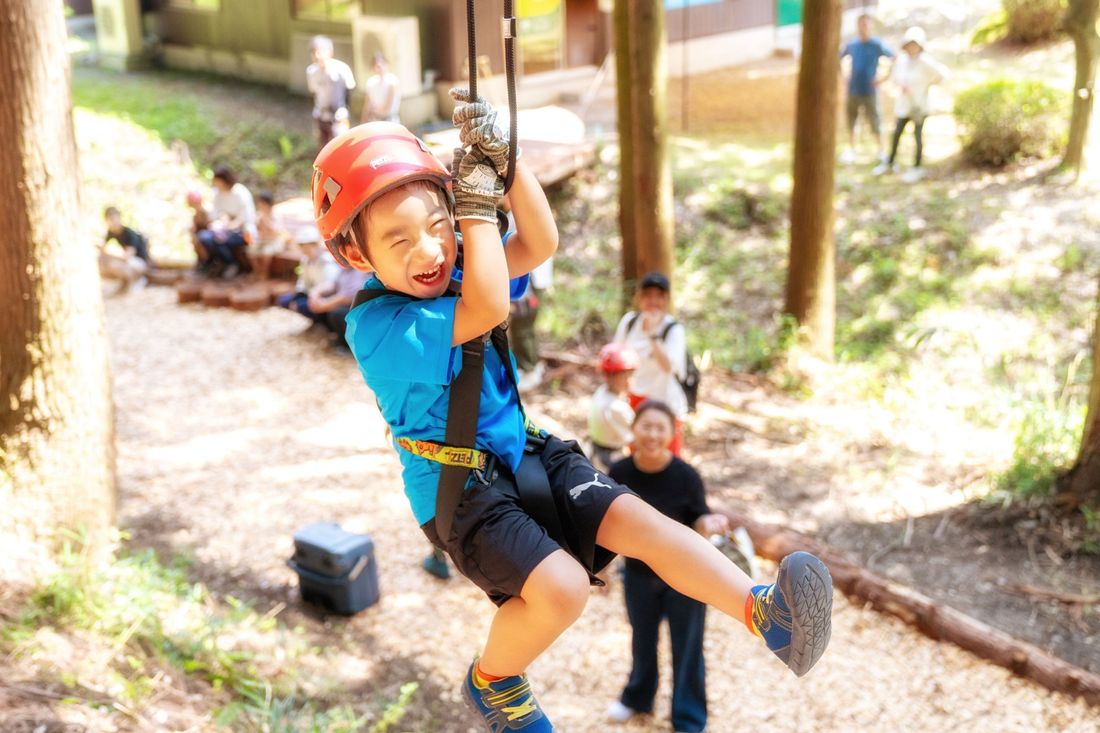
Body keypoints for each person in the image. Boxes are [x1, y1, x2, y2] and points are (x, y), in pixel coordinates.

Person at [311, 96, 833, 731]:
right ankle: (494, 680)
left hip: (525, 452)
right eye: (399, 239)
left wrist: (508, 164)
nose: (429, 248)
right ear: (359, 257)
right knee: (559, 590)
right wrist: (474, 215)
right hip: (460, 490)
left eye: (437, 221)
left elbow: (539, 239)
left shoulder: (458, 261)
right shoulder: (377, 326)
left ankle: (766, 615)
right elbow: (486, 310)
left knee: (647, 521)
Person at [606, 400, 731, 733]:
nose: (652, 434)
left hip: (686, 577)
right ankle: (637, 698)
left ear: (671, 434)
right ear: (633, 429)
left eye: (660, 428)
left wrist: (710, 521)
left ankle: (689, 718)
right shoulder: (619, 472)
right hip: (638, 574)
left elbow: (698, 520)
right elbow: (605, 523)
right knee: (642, 640)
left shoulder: (685, 475)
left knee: (688, 647)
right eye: (646, 426)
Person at [613, 272, 690, 455]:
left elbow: (668, 367)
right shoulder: (630, 322)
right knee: (637, 455)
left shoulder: (673, 330)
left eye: (658, 296)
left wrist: (653, 334)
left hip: (665, 401)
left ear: (666, 299)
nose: (652, 301)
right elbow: (617, 355)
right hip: (634, 399)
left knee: (667, 457)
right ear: (640, 297)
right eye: (648, 295)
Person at [874, 26, 949, 183]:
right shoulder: (902, 61)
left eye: (914, 44)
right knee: (896, 134)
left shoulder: (925, 61)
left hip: (919, 106)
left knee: (917, 136)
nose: (911, 48)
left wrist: (927, 86)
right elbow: (895, 78)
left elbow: (942, 75)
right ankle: (890, 162)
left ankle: (917, 167)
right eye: (909, 44)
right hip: (903, 105)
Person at [839, 14, 894, 165]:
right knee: (851, 120)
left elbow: (893, 58)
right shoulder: (852, 44)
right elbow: (839, 58)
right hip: (853, 89)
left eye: (866, 24)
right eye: (861, 24)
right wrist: (844, 76)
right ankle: (852, 149)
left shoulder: (876, 44)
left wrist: (882, 79)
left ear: (870, 26)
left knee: (874, 120)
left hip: (869, 90)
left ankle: (881, 151)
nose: (863, 27)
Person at [275, 226, 341, 327]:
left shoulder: (326, 261)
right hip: (311, 293)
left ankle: (322, 322)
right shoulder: (305, 260)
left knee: (302, 305)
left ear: (315, 245)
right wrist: (298, 296)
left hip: (325, 296)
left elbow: (330, 286)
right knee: (285, 300)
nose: (305, 249)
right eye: (302, 245)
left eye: (309, 245)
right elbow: (303, 283)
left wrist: (312, 295)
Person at [588, 343, 639, 473]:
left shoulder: (602, 391)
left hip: (596, 451)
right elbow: (637, 440)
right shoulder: (617, 408)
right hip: (611, 458)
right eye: (625, 376)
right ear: (609, 376)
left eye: (631, 375)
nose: (630, 380)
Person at [198, 166, 256, 279]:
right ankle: (218, 263)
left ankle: (231, 264)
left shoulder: (240, 192)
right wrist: (220, 223)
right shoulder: (218, 194)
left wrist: (232, 226)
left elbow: (246, 216)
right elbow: (216, 214)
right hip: (223, 229)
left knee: (220, 240)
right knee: (204, 237)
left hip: (243, 231)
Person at [307, 35, 356, 150]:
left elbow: (349, 91)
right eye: (314, 52)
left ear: (330, 52)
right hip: (321, 113)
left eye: (320, 51)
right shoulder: (311, 72)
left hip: (339, 114)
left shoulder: (341, 70)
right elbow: (313, 92)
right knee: (323, 147)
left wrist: (344, 110)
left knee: (341, 146)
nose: (317, 56)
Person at [99, 206, 150, 292]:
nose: (113, 221)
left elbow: (127, 256)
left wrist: (110, 254)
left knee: (114, 264)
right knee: (102, 262)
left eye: (114, 218)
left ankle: (138, 280)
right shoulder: (110, 233)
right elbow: (103, 249)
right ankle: (125, 282)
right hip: (129, 261)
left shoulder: (129, 233)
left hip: (140, 263)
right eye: (110, 219)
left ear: (119, 218)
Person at [252, 192, 289, 280]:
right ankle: (257, 271)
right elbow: (257, 229)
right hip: (263, 241)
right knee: (251, 252)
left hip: (275, 241)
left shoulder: (276, 214)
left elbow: (276, 231)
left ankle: (264, 273)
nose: (260, 205)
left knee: (266, 253)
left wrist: (265, 220)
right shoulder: (259, 214)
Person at [362, 52, 401, 124]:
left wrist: (373, 110)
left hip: (390, 121)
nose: (379, 67)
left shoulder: (392, 81)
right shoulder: (371, 82)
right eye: (376, 65)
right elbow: (367, 105)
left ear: (387, 64)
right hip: (375, 121)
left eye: (382, 64)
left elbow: (387, 108)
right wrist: (364, 121)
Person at [186, 189, 213, 271]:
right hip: (200, 238)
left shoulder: (206, 212)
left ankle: (206, 262)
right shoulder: (196, 215)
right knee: (195, 240)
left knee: (200, 240)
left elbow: (210, 225)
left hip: (208, 237)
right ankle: (202, 262)